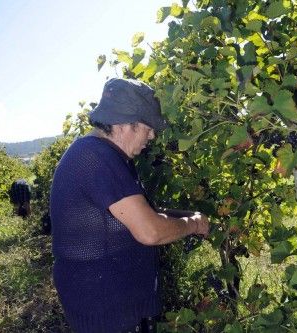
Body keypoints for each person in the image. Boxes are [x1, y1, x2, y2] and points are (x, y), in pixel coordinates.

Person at [50, 78, 209, 333]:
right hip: (108, 313)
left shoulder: (102, 155)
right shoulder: (97, 158)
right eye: (148, 128)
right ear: (125, 124)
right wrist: (193, 224)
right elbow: (150, 231)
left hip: (113, 308)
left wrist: (186, 215)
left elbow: (138, 214)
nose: (152, 136)